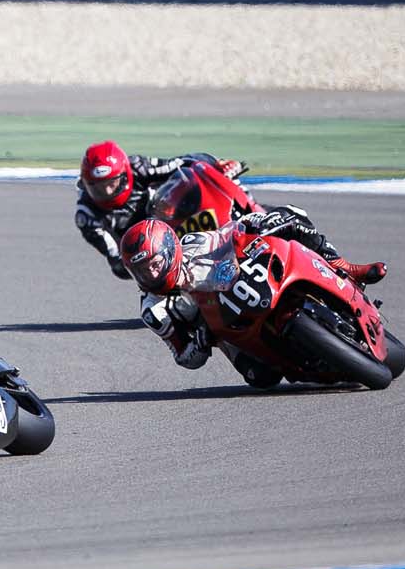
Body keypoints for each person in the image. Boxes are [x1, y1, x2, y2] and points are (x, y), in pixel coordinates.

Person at [120, 209, 387, 387]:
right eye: (142, 270)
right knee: (261, 378)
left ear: (169, 250)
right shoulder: (153, 311)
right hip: (221, 329)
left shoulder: (192, 243)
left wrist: (256, 223)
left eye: (154, 264)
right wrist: (200, 343)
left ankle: (346, 267)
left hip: (240, 282)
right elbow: (183, 358)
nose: (151, 273)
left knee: (292, 219)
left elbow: (229, 232)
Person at [76, 141, 248, 280]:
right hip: (145, 253)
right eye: (97, 188)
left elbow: (184, 162)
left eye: (111, 184)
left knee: (197, 179)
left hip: (170, 217)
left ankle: (247, 215)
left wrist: (218, 165)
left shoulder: (139, 167)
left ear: (124, 174)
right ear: (86, 184)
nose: (107, 193)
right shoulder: (87, 215)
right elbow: (117, 261)